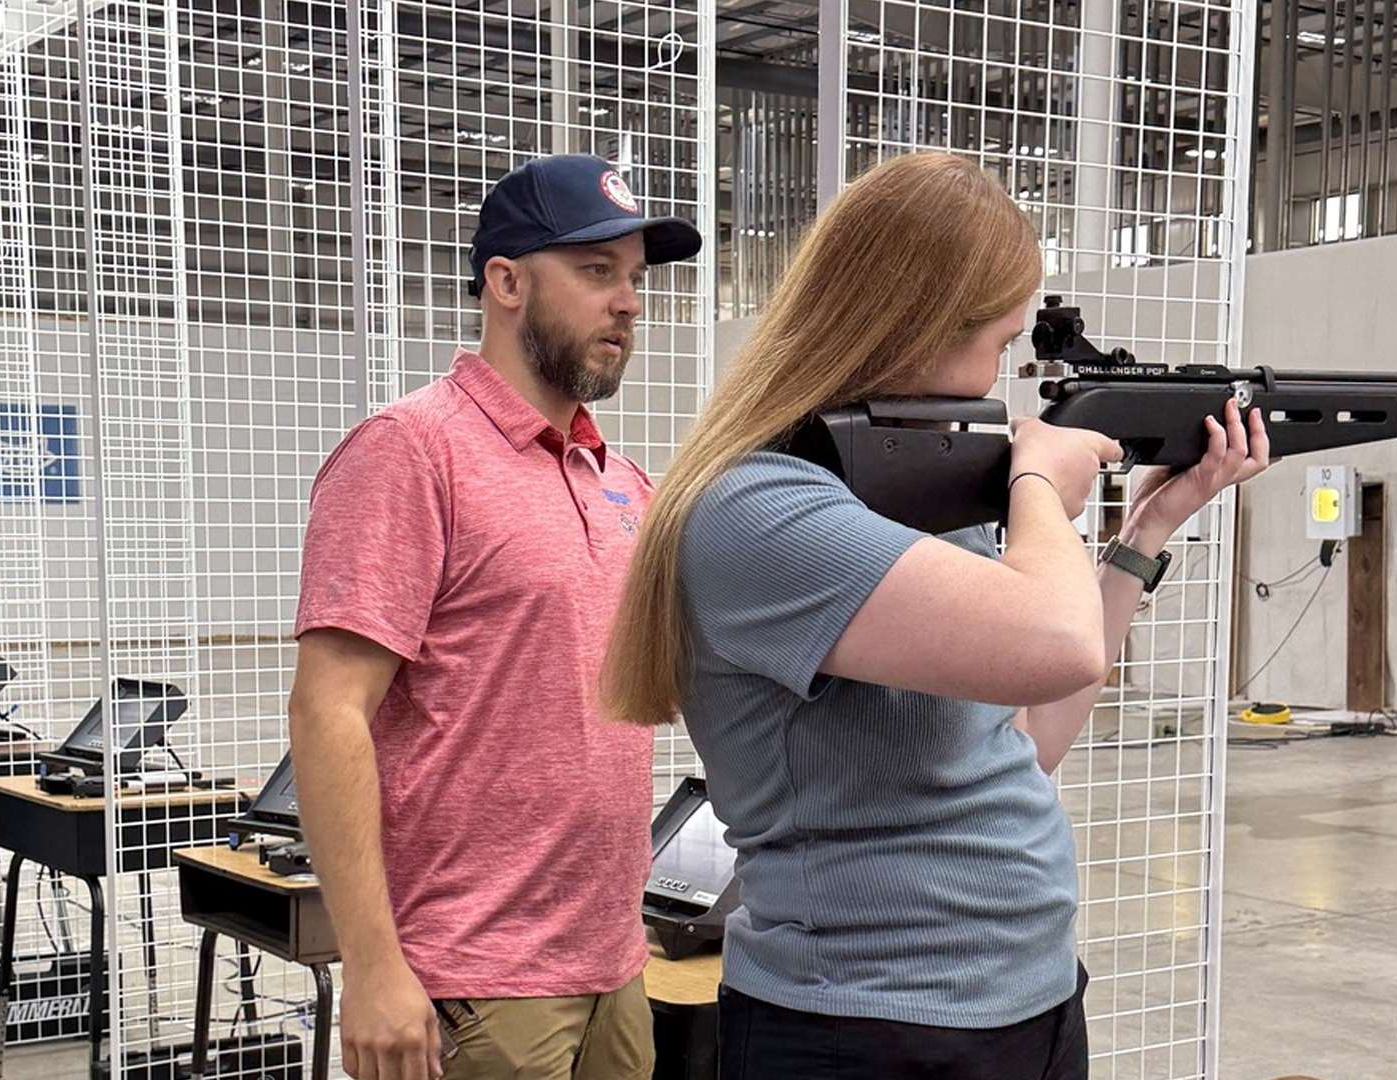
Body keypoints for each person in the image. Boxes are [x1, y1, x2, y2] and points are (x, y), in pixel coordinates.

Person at [600, 151, 1270, 1080]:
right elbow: (1058, 642)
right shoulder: (761, 510)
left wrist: (1147, 527)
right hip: (868, 1030)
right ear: (911, 328)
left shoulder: (906, 513)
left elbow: (1025, 739)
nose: (1002, 373)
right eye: (998, 344)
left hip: (1021, 1003)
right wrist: (1038, 478)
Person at [288, 154, 701, 1080]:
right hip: (473, 982)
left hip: (613, 966)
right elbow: (329, 711)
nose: (629, 303)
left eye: (635, 278)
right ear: (506, 282)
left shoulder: (621, 482)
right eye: (597, 273)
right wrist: (373, 967)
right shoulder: (410, 452)